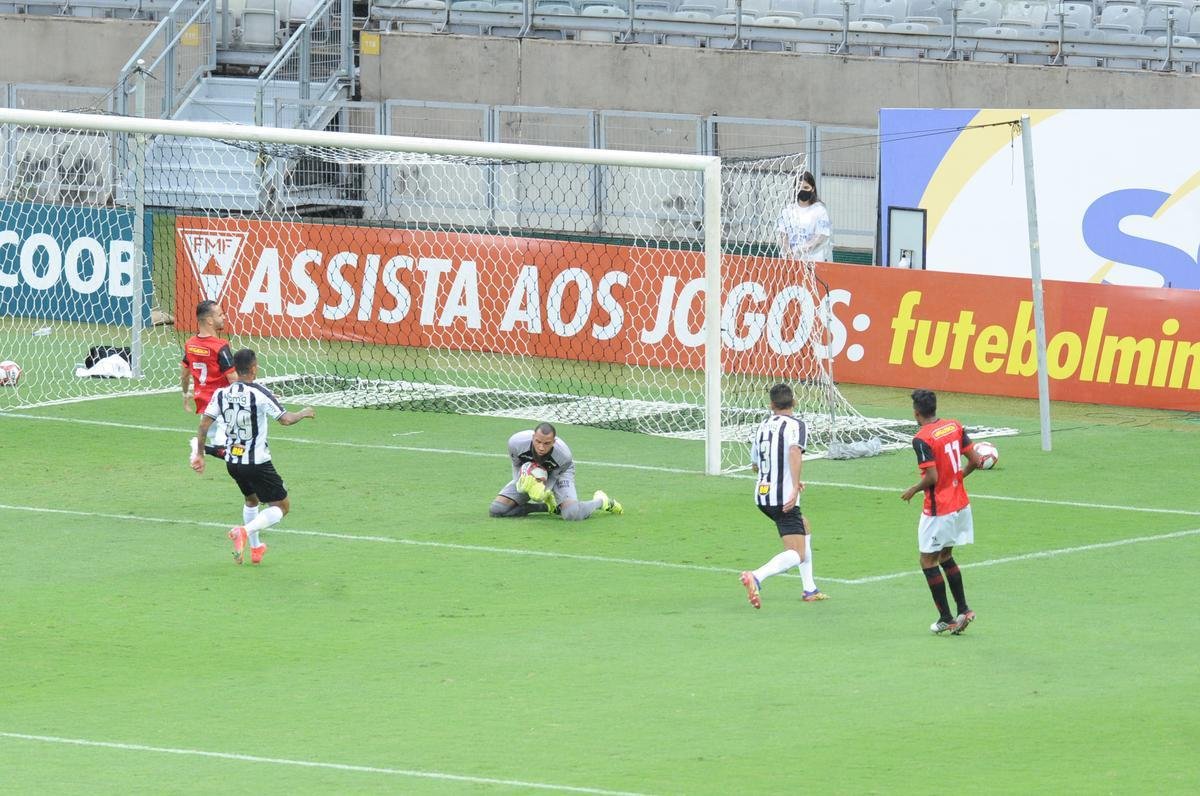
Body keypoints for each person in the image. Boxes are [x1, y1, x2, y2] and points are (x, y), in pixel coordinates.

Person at [191, 348, 315, 565]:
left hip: (233, 462)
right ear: (254, 368)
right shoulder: (259, 392)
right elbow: (285, 419)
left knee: (251, 500)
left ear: (235, 370)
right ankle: (244, 531)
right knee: (282, 507)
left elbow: (203, 426)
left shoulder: (221, 393)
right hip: (257, 463)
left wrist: (200, 454)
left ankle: (256, 548)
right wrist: (304, 413)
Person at [901, 389, 982, 635]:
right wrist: (957, 479)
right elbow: (976, 460)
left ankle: (946, 618)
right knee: (945, 556)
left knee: (927, 560)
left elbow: (932, 476)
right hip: (960, 504)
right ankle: (964, 610)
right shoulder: (954, 426)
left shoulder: (922, 438)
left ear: (916, 412)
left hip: (939, 509)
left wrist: (914, 489)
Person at [739, 383, 828, 609]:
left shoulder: (761, 427)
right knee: (796, 553)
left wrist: (786, 478)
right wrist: (794, 484)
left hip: (762, 496)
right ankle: (757, 576)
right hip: (783, 499)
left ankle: (810, 588)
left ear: (771, 405)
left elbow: (755, 466)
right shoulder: (797, 425)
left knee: (804, 526)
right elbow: (794, 452)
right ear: (794, 403)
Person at [489, 422, 623, 521]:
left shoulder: (563, 455)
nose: (541, 447)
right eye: (538, 442)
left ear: (554, 441)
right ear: (533, 437)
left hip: (558, 473)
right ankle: (547, 507)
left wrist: (543, 491)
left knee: (572, 514)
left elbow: (552, 477)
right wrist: (522, 484)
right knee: (497, 509)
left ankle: (600, 501)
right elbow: (516, 465)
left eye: (547, 443)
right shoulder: (515, 443)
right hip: (531, 474)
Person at [182, 300, 236, 462]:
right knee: (231, 452)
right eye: (220, 314)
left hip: (205, 405)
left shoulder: (190, 345)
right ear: (210, 320)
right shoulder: (220, 346)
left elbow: (185, 374)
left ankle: (201, 448)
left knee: (228, 452)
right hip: (222, 405)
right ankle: (200, 446)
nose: (224, 317)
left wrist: (185, 394)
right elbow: (233, 379)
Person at [776, 170, 833, 263]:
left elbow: (822, 236)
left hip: (813, 261)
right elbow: (782, 234)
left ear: (813, 188)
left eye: (806, 187)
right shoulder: (788, 210)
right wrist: (789, 252)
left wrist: (804, 249)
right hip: (791, 262)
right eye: (799, 187)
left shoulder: (819, 210)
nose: (802, 190)